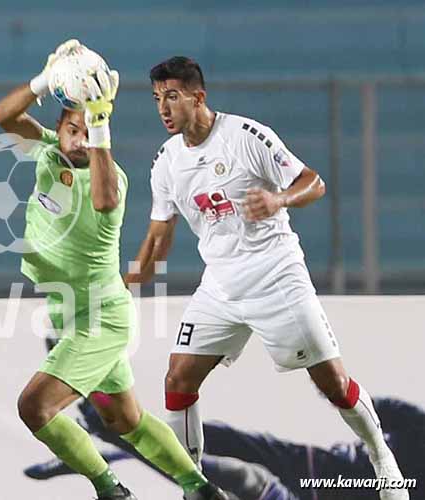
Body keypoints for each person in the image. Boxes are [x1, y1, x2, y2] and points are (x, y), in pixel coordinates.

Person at [123, 56, 409, 500]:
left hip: (276, 275)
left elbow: (314, 183)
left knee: (331, 382)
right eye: (158, 98)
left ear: (199, 97)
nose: (163, 107)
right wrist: (130, 279)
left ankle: (382, 460)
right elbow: (160, 235)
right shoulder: (166, 163)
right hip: (220, 284)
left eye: (173, 96)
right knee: (178, 378)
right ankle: (192, 484)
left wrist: (279, 201)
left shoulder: (246, 137)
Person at [0, 40, 227, 500]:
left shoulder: (108, 174)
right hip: (70, 314)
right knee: (125, 420)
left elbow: (104, 199)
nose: (79, 140)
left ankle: (109, 488)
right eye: (72, 130)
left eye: (89, 130)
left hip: (101, 318)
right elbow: (3, 115)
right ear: (57, 130)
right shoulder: (46, 152)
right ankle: (200, 489)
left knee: (34, 407)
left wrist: (99, 123)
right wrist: (47, 79)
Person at [27, 391, 425, 499]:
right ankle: (111, 429)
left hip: (308, 490)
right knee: (205, 438)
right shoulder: (420, 428)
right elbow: (381, 408)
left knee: (221, 473)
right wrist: (338, 390)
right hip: (312, 465)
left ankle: (109, 436)